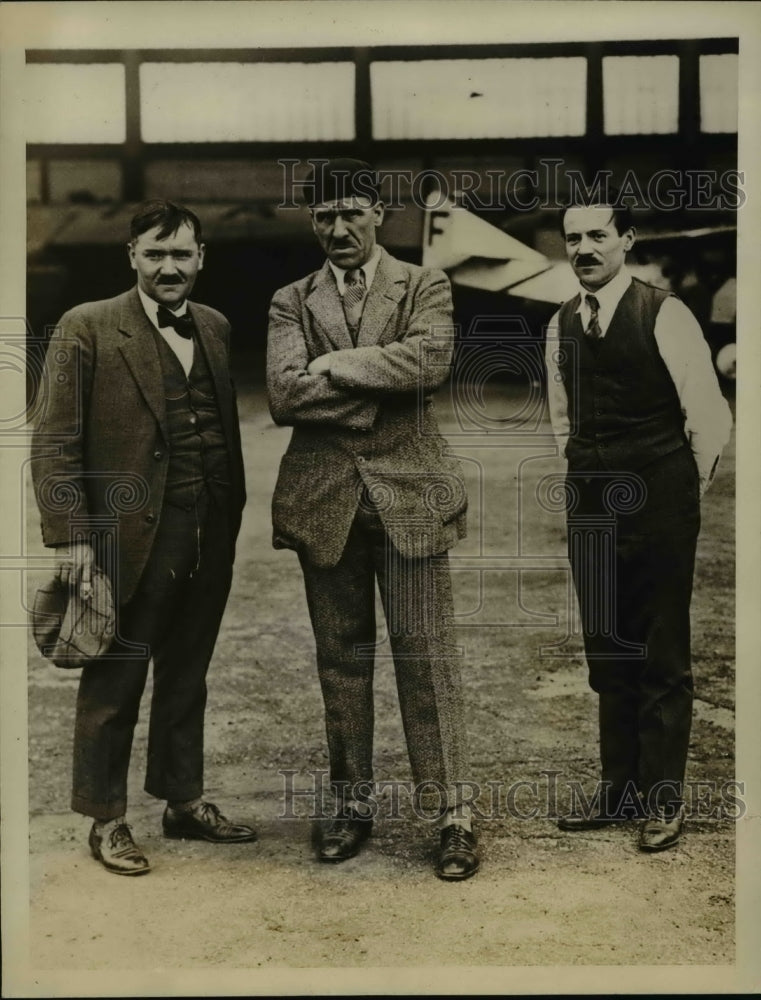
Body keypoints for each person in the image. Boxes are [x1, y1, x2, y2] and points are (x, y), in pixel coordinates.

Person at [266, 159, 479, 880]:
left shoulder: (424, 284)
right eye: (324, 215)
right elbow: (283, 396)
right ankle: (350, 806)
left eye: (351, 212)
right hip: (324, 502)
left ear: (378, 214)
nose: (338, 228)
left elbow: (429, 363)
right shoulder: (290, 300)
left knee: (428, 659)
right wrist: (377, 385)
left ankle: (453, 816)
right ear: (312, 221)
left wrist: (332, 365)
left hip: (412, 498)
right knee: (341, 660)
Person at [32, 200, 256, 876]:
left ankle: (183, 801)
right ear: (131, 255)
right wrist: (72, 538)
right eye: (154, 254)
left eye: (181, 254)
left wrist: (225, 515)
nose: (168, 267)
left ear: (200, 258)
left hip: (207, 530)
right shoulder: (87, 325)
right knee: (115, 677)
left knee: (187, 674)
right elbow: (55, 441)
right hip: (125, 540)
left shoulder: (214, 325)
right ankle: (106, 819)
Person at [544, 194, 733, 851]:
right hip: (590, 502)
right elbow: (562, 420)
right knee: (607, 646)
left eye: (598, 235)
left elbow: (707, 417)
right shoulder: (560, 323)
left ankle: (662, 799)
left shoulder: (665, 312)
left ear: (626, 239)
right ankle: (617, 790)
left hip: (659, 499)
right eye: (573, 238)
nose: (584, 249)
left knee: (660, 650)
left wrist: (676, 491)